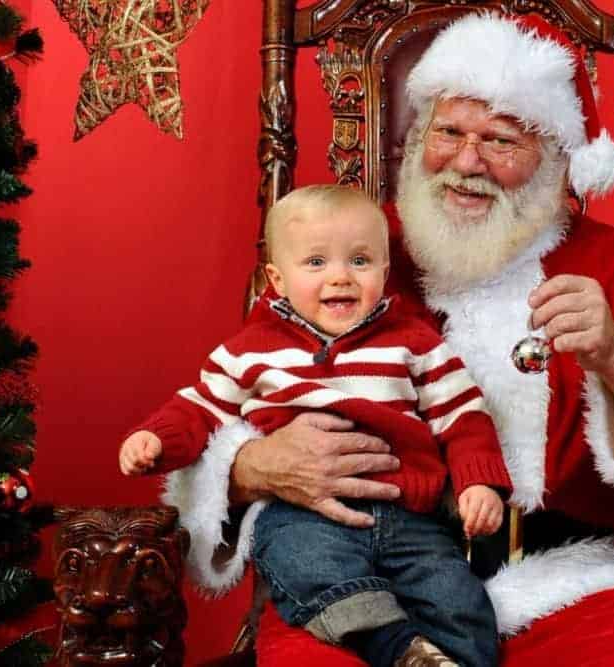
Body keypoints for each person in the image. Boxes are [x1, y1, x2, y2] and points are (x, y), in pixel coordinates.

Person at [163, 13, 614, 666]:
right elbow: (224, 397)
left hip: (567, 584)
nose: (467, 163)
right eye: (448, 132)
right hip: (365, 578)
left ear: (558, 160)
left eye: (500, 141)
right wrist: (247, 467)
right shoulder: (355, 258)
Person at [123, 185, 513, 667]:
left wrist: (479, 482)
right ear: (277, 279)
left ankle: (453, 657)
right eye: (316, 263)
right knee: (306, 566)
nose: (340, 278)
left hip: (408, 515)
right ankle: (397, 646)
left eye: (360, 261)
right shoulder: (251, 350)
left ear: (385, 272)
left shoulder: (415, 343)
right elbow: (200, 409)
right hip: (302, 514)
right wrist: (156, 439)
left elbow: (464, 414)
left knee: (458, 599)